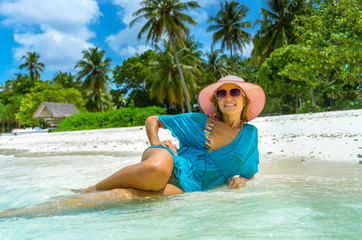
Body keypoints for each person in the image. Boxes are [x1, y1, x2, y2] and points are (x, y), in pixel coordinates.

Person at [0, 75, 265, 218]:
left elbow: (250, 167)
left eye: (234, 92)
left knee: (125, 198)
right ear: (216, 100)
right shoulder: (198, 121)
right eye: (221, 93)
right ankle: (89, 188)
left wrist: (241, 177)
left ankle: (22, 213)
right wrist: (157, 143)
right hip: (167, 159)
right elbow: (153, 120)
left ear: (244, 99)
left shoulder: (249, 134)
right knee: (157, 169)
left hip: (191, 184)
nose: (227, 97)